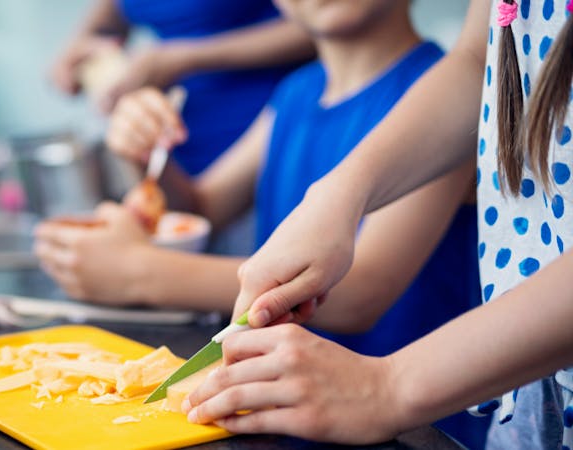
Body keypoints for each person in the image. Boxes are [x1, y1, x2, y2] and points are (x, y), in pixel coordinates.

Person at [37, 1, 489, 447]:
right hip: (283, 420)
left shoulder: (450, 101)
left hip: (415, 433)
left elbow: (360, 294)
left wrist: (139, 273)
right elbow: (202, 208)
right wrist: (144, 153)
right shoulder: (296, 92)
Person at [183, 0, 573, 448]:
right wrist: (338, 196)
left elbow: (362, 293)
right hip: (520, 388)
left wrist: (389, 386)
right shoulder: (295, 92)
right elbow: (478, 61)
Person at [51, 0, 314, 176]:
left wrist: (185, 58)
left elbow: (319, 23)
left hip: (264, 134)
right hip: (178, 147)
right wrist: (79, 53)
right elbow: (103, 26)